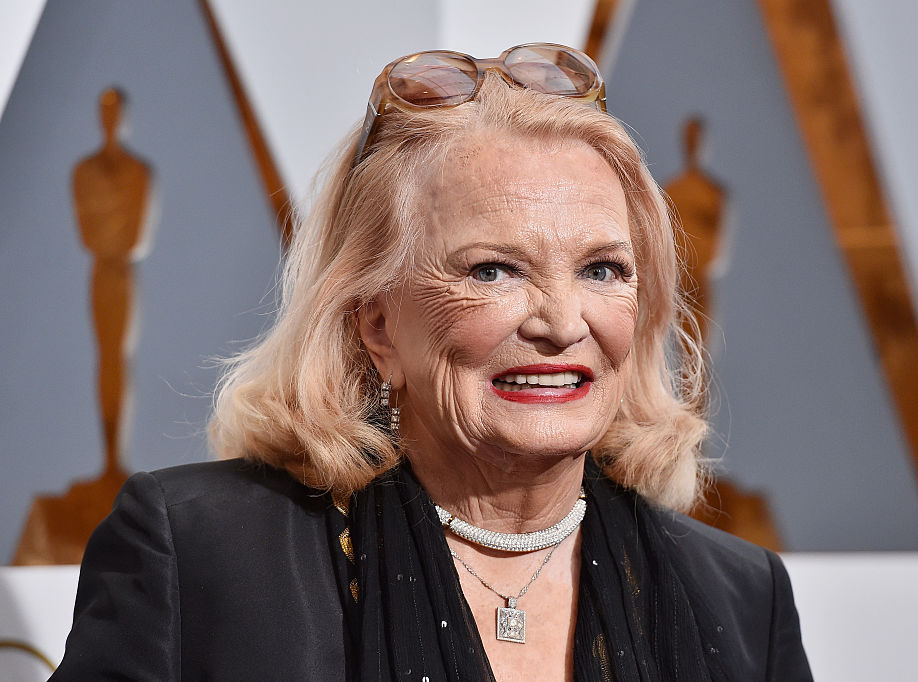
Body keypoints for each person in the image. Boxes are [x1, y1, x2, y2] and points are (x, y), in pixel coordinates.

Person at [53, 44, 812, 681]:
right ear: (376, 323)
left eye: (603, 270)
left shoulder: (741, 600)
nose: (561, 323)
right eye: (493, 270)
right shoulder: (200, 555)